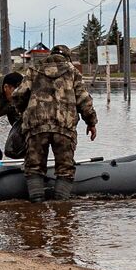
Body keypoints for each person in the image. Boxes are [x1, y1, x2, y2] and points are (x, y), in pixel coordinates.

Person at [21, 45, 97, 202]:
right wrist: (91, 122)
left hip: (36, 127)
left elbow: (19, 94)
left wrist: (25, 113)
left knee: (34, 168)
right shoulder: (73, 72)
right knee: (65, 170)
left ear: (50, 55)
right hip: (64, 128)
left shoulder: (34, 69)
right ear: (68, 57)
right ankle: (61, 210)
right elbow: (84, 100)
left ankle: (36, 209)